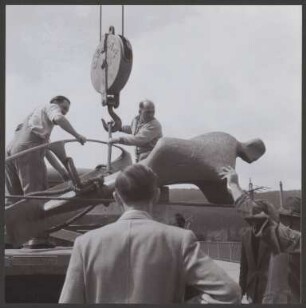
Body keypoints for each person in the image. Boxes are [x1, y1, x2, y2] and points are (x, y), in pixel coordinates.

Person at [59, 164, 241, 304]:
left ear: (116, 197)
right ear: (156, 195)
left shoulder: (85, 244)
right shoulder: (179, 240)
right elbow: (230, 292)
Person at [219, 166, 301, 303]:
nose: (283, 223)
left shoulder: (292, 240)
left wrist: (234, 185)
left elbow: (257, 218)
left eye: (286, 219)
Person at [5, 95, 87, 204]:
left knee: (13, 198)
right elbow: (58, 118)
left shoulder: (35, 119)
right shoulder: (51, 107)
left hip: (9, 154)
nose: (65, 112)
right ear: (56, 103)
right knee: (36, 196)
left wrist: (62, 172)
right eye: (64, 108)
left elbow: (46, 151)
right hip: (27, 150)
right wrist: (77, 135)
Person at [239, 226, 271, 303]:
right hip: (251, 289)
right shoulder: (245, 235)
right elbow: (244, 266)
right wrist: (241, 290)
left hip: (268, 289)